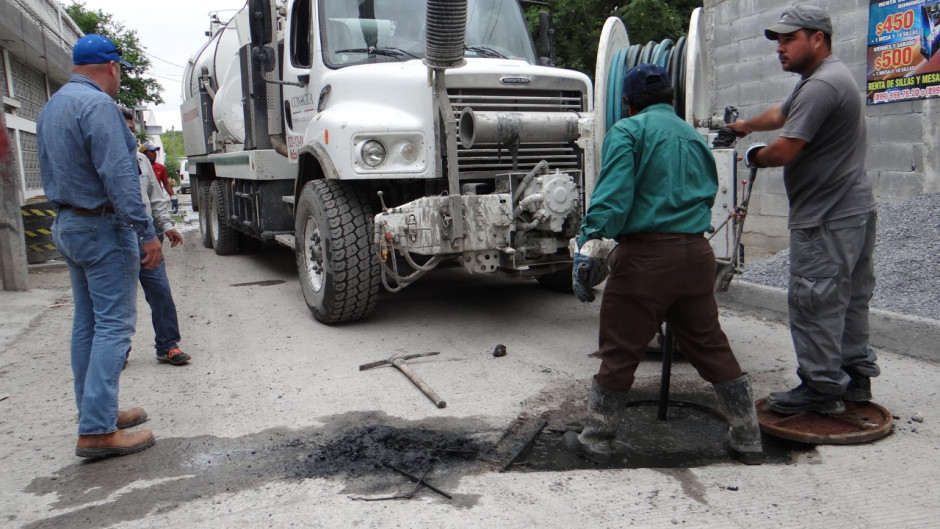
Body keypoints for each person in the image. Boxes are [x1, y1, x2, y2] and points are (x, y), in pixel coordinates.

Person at [566, 64, 763, 465]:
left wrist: (589, 241)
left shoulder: (629, 131)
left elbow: (613, 196)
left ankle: (597, 438)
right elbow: (709, 192)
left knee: (620, 349)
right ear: (670, 98)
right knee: (710, 345)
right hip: (695, 254)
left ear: (627, 102)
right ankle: (747, 437)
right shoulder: (694, 137)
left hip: (645, 259)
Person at [729, 5, 879, 415]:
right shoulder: (822, 78)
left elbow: (784, 150)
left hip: (826, 216)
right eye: (777, 40)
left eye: (788, 38)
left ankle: (821, 388)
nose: (780, 47)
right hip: (853, 209)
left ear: (818, 38)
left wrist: (752, 155)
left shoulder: (820, 86)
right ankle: (855, 378)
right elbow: (781, 115)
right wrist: (745, 126)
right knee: (847, 298)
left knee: (814, 300)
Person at [37, 34, 162, 458]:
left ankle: (94, 412)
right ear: (112, 67)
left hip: (69, 224)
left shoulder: (53, 106)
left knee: (88, 325)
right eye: (121, 70)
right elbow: (120, 177)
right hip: (101, 227)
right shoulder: (100, 107)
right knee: (114, 325)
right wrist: (147, 233)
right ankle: (96, 431)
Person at [122, 109, 193, 366]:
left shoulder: (141, 162)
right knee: (119, 299)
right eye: (124, 129)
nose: (128, 135)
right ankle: (118, 351)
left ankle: (168, 346)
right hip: (117, 238)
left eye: (132, 130)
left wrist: (166, 227)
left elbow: (156, 198)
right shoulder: (101, 160)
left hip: (147, 237)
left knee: (160, 292)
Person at [140, 142, 176, 212]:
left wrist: (173, 196)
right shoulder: (139, 168)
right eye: (152, 151)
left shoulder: (160, 168)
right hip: (143, 200)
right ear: (143, 154)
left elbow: (166, 183)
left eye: (155, 152)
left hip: (157, 200)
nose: (155, 154)